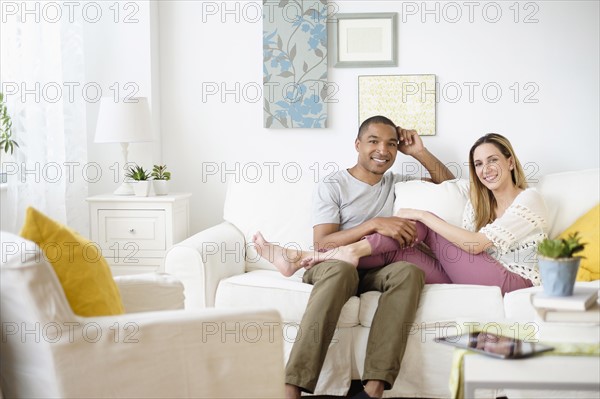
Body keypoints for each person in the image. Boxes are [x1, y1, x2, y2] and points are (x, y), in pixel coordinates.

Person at [253, 115, 455, 399]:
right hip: (330, 266)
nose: (382, 150)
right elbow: (322, 243)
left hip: (375, 270)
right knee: (342, 270)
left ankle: (373, 390)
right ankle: (292, 388)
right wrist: (374, 224)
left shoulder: (397, 184)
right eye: (373, 141)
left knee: (409, 272)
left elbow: (452, 188)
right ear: (358, 144)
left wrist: (419, 151)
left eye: (391, 144)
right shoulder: (333, 184)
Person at [268, 133, 548, 296]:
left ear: (510, 162)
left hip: (513, 282)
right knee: (399, 247)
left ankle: (307, 255)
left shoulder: (530, 199)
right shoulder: (478, 204)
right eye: (478, 164)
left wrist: (424, 217)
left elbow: (476, 245)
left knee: (419, 223)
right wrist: (414, 238)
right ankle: (323, 258)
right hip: (473, 275)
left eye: (493, 160)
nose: (485, 169)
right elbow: (466, 252)